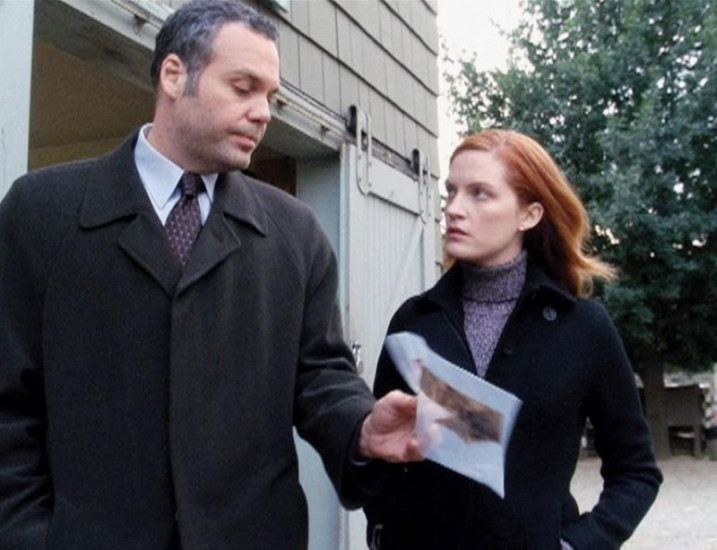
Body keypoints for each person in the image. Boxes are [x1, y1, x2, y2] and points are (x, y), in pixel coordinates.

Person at [0, 1, 421, 548]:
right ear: (174, 76)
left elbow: (322, 377)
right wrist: (32, 536)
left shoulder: (296, 234)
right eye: (243, 88)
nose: (263, 113)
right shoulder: (42, 213)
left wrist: (362, 427)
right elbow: (9, 401)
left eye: (270, 96)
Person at [364, 129, 662, 549]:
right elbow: (381, 456)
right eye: (451, 192)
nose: (454, 209)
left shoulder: (583, 328)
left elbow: (636, 471)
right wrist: (384, 531)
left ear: (529, 214)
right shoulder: (415, 321)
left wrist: (576, 545)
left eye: (480, 193)